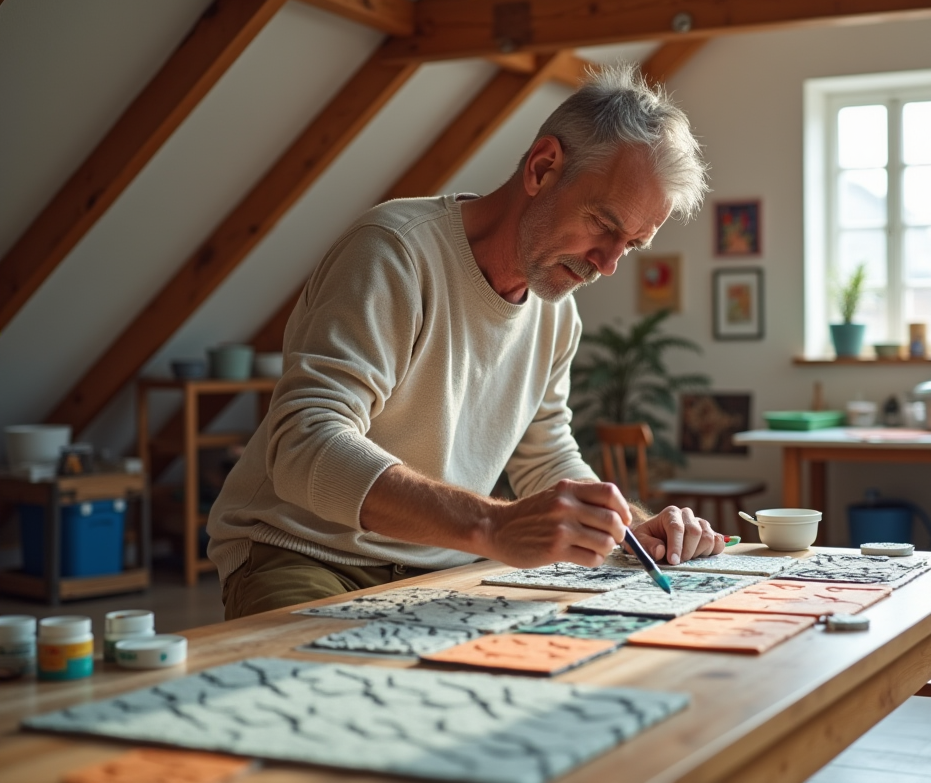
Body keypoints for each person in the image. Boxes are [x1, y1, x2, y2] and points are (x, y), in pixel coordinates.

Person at [208, 64, 724, 619]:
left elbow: (545, 454)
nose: (608, 263)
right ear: (543, 167)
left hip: (447, 566)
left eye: (633, 243)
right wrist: (492, 525)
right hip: (304, 554)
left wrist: (626, 529)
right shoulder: (395, 252)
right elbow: (305, 441)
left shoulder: (557, 314)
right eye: (603, 223)